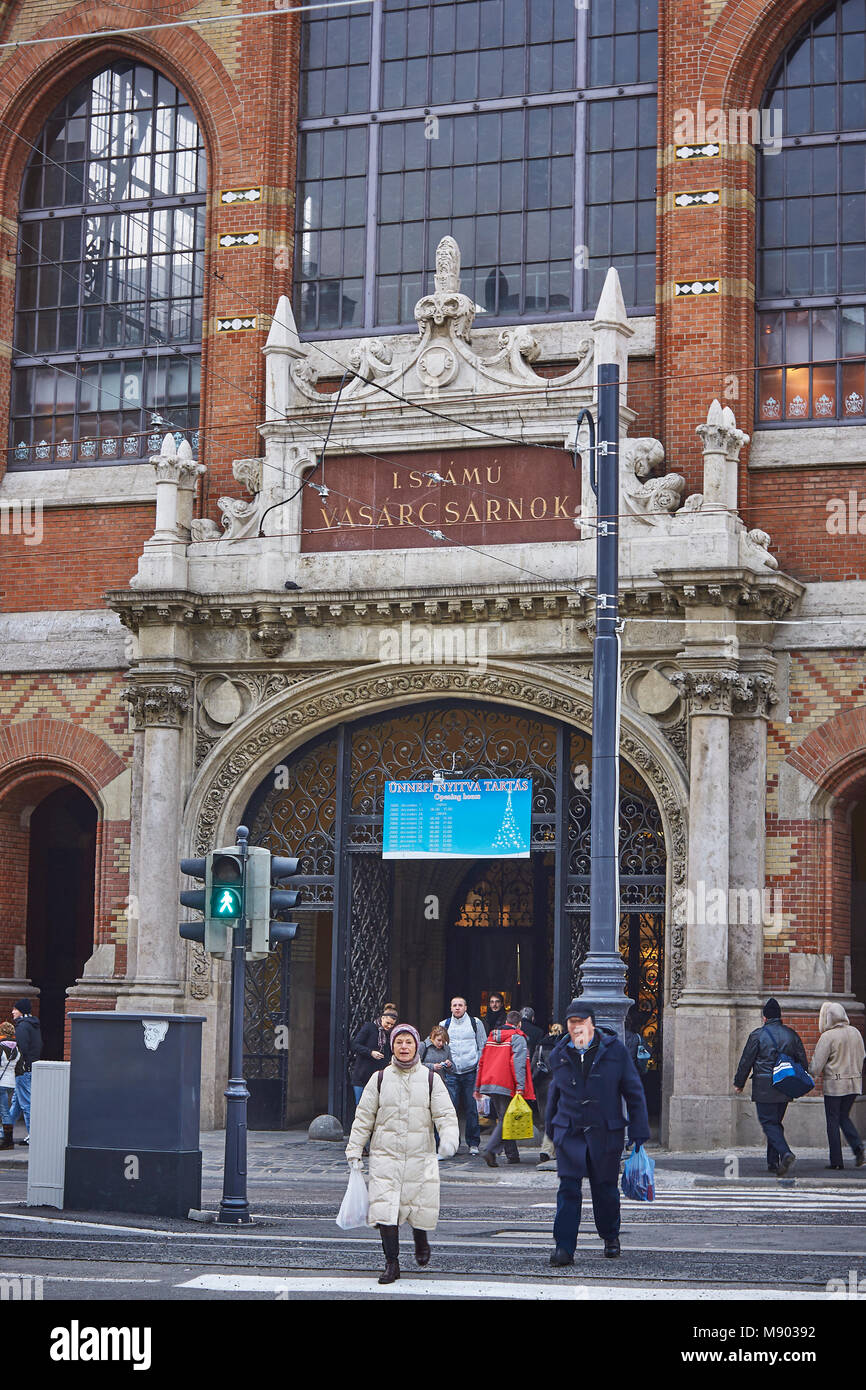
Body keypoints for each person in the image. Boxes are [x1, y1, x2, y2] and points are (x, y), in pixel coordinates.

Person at [346, 1023, 458, 1285]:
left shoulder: (431, 1079)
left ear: (416, 1046)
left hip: (421, 1157)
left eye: (409, 1042)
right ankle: (391, 1263)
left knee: (418, 1208)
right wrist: (354, 1148)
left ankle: (421, 1240)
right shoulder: (380, 1078)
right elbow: (363, 1117)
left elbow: (445, 1114)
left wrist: (450, 1138)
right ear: (392, 1047)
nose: (404, 1047)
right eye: (399, 1042)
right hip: (385, 1156)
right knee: (386, 1211)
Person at [546, 1001, 649, 1265]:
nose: (576, 1031)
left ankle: (610, 1235)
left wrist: (639, 1130)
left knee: (604, 1188)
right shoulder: (559, 1053)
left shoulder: (615, 1050)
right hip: (570, 1131)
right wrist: (552, 1131)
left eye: (581, 1025)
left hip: (605, 1130)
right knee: (568, 1188)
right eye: (572, 1025)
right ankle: (564, 1247)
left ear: (591, 1025)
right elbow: (554, 1095)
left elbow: (633, 1090)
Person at [733, 997, 809, 1177]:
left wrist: (739, 1082)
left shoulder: (757, 1035)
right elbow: (803, 1063)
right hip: (785, 1085)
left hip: (764, 1086)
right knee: (775, 1122)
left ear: (765, 1017)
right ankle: (773, 1163)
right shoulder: (792, 1034)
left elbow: (746, 1061)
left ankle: (785, 1153)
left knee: (768, 1123)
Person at [475, 1008, 534, 1168]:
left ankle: (512, 1154)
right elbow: (518, 1064)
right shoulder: (518, 1038)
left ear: (507, 1021)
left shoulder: (492, 1037)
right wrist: (520, 1086)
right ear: (519, 1023)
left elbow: (482, 1061)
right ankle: (490, 1150)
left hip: (490, 1082)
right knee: (506, 1119)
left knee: (504, 1117)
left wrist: (478, 1085)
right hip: (507, 1083)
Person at [810, 1001, 866, 1170]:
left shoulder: (828, 1036)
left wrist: (810, 1073)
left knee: (833, 1121)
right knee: (843, 1117)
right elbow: (862, 1056)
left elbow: (816, 1065)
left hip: (835, 1085)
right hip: (854, 1083)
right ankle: (858, 1147)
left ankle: (836, 1161)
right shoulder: (855, 1032)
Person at [438, 997, 487, 1156]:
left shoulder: (476, 1023)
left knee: (472, 1108)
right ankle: (451, 1143)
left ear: (465, 1007)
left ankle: (473, 1143)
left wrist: (480, 1067)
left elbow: (482, 1045)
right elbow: (439, 1046)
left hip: (471, 1071)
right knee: (450, 1109)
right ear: (451, 1008)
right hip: (451, 1073)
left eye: (460, 1005)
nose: (457, 1008)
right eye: (454, 1005)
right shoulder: (444, 1024)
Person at [350, 1007, 398, 1106]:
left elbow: (391, 1052)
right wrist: (371, 1052)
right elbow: (355, 1045)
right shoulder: (369, 1027)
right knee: (361, 1107)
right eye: (387, 1023)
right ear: (382, 1018)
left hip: (379, 1078)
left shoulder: (391, 1034)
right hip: (362, 1075)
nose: (389, 1026)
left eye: (392, 1025)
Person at [8, 1000, 41, 1144]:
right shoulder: (33, 1025)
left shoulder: (22, 1027)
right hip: (29, 1069)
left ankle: (34, 1136)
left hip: (22, 1071)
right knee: (16, 1104)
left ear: (21, 1011)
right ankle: (4, 1133)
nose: (12, 1012)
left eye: (15, 1009)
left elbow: (20, 1049)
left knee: (26, 1104)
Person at [420, 1024, 454, 1157]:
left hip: (440, 1085)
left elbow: (452, 1069)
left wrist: (449, 1065)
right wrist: (432, 1066)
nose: (441, 1044)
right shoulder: (424, 1046)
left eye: (443, 1041)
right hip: (424, 1084)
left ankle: (440, 1147)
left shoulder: (446, 1049)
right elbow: (415, 1063)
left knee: (440, 1117)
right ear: (432, 1037)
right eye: (439, 1040)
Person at [532, 1022, 563, 1163]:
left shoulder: (541, 1045)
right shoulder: (565, 1045)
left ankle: (548, 1149)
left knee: (546, 1116)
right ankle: (551, 1149)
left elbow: (533, 1064)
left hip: (543, 1084)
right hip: (560, 1083)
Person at [0, 1022, 18, 1150]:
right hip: (11, 1083)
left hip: (0, 1082)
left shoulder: (0, 1047)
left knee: (4, 1111)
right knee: (5, 1110)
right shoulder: (17, 1048)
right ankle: (8, 1140)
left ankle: (7, 1142)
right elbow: (20, 1068)